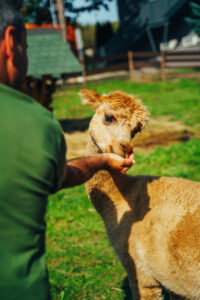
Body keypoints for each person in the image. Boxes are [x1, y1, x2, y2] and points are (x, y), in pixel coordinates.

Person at [0, 2, 135, 300]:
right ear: (11, 42)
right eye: (26, 46)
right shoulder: (37, 123)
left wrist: (102, 159)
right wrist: (103, 161)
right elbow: (60, 176)